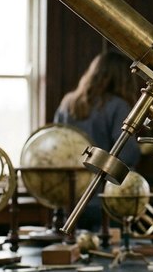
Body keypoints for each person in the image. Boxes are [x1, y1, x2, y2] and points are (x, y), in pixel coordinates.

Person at [53, 50, 142, 231]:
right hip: (105, 200)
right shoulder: (118, 106)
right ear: (123, 78)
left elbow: (55, 148)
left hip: (69, 200)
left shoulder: (67, 104)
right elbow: (127, 155)